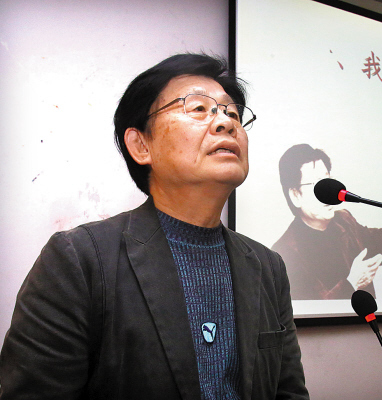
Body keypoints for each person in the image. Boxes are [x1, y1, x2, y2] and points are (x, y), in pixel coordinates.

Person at [0, 54, 309, 400]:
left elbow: (289, 393)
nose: (225, 122)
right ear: (141, 145)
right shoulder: (79, 261)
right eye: (198, 108)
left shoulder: (268, 267)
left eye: (233, 113)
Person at [272, 144, 382, 300]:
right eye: (318, 185)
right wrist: (352, 284)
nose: (328, 192)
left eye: (327, 181)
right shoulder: (284, 253)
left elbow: (381, 244)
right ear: (295, 195)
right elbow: (305, 306)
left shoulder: (343, 220)